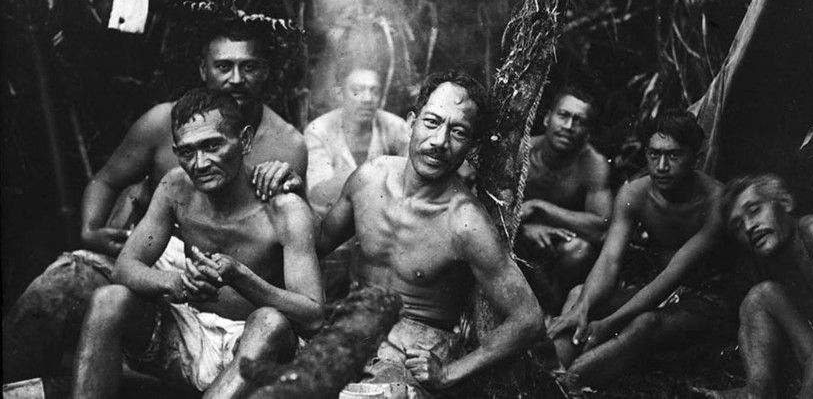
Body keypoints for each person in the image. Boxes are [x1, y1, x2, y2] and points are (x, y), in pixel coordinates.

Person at [2, 16, 307, 383]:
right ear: (203, 69)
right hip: (153, 256)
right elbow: (106, 179)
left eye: (249, 67)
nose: (236, 79)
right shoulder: (163, 123)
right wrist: (89, 229)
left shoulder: (287, 143)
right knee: (63, 283)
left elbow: (292, 241)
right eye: (224, 66)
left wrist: (291, 183)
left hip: (233, 292)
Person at [71, 89, 324, 399]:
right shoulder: (176, 186)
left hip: (255, 349)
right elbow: (124, 268)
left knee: (270, 322)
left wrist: (241, 277)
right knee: (109, 299)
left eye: (212, 145)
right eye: (187, 151)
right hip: (189, 334)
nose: (200, 163)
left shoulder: (283, 208)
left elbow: (313, 317)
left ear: (244, 141)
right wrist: (178, 283)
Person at [318, 72, 544, 396]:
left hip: (413, 353)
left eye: (458, 131)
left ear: (471, 146)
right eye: (433, 122)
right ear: (411, 123)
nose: (439, 142)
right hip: (350, 332)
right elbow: (316, 244)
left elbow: (529, 319)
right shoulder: (369, 179)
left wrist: (450, 373)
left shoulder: (465, 222)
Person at [546, 109, 731, 386]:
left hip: (705, 299)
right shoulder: (635, 193)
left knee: (644, 324)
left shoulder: (717, 200)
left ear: (696, 157)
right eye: (654, 154)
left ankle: (563, 383)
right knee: (578, 296)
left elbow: (674, 275)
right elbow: (610, 260)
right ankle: (550, 368)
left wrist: (611, 322)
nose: (661, 166)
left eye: (674, 155)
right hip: (654, 289)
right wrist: (582, 307)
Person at [695, 174, 813, 399]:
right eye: (738, 226)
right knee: (761, 296)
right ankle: (757, 391)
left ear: (785, 203)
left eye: (754, 211)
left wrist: (806, 394)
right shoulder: (775, 263)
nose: (749, 226)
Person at [517, 88, 613, 313]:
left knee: (580, 251)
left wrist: (539, 207)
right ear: (547, 118)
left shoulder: (593, 164)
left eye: (578, 121)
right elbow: (486, 205)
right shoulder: (522, 150)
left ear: (588, 131)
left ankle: (555, 312)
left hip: (558, 247)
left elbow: (601, 229)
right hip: (515, 239)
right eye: (563, 115)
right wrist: (525, 227)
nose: (568, 127)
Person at [304, 66, 409, 215]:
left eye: (374, 91)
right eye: (357, 90)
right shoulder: (318, 130)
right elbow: (318, 195)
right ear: (341, 94)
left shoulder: (394, 126)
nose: (367, 99)